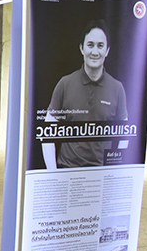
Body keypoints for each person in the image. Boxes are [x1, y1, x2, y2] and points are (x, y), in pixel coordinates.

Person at [42, 20, 128, 169]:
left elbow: (125, 133)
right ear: (81, 48)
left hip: (100, 175)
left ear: (107, 50)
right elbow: (47, 130)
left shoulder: (117, 88)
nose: (95, 52)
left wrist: (114, 167)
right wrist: (52, 172)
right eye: (90, 45)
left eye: (100, 46)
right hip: (68, 172)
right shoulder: (65, 84)